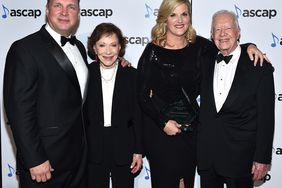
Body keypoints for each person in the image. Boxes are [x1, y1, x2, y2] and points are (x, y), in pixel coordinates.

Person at [136, 0, 266, 188]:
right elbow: (141, 96)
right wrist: (163, 122)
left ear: (190, 17)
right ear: (164, 18)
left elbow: (228, 47)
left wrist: (249, 46)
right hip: (160, 134)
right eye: (173, 15)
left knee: (186, 183)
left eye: (184, 14)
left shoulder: (200, 47)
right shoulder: (152, 51)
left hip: (191, 133)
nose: (179, 20)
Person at [3, 0, 88, 187]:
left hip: (79, 160)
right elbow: (19, 111)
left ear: (79, 13)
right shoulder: (25, 49)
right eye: (58, 5)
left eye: (71, 7)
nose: (65, 12)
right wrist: (34, 159)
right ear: (47, 10)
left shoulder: (80, 48)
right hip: (45, 162)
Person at [197, 10, 275, 188]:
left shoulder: (259, 66)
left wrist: (262, 158)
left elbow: (266, 118)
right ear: (211, 35)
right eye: (217, 30)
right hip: (208, 157)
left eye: (228, 28)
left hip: (241, 158)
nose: (222, 34)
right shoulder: (205, 60)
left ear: (238, 31)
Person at [84, 23, 143, 188]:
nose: (108, 51)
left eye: (113, 45)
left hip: (124, 147)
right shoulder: (85, 73)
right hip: (92, 148)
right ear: (94, 48)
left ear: (120, 47)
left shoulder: (132, 74)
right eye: (102, 45)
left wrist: (138, 150)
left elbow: (138, 116)